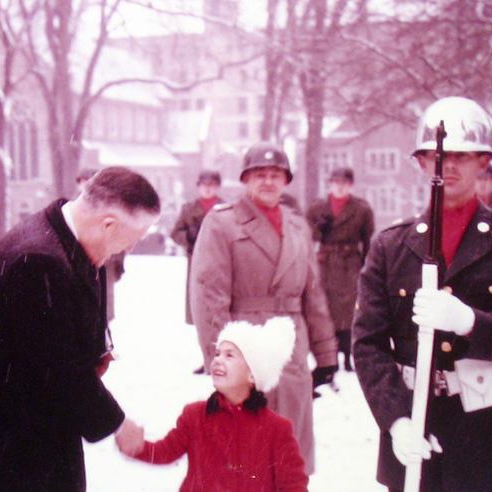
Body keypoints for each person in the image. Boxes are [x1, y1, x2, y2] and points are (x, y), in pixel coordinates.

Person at [352, 96, 492, 492]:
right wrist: (396, 420)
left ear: (483, 162)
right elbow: (368, 344)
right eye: (438, 156)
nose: (449, 165)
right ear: (423, 163)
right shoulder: (390, 245)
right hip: (415, 425)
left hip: (487, 429)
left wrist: (470, 322)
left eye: (462, 155)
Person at [0, 167, 160, 491]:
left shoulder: (66, 240)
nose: (129, 249)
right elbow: (59, 369)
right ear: (108, 224)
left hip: (27, 423)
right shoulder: (37, 260)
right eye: (133, 239)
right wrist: (118, 424)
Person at [189, 141, 339, 474]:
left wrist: (327, 355)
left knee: (289, 453)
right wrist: (223, 361)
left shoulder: (298, 225)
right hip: (246, 347)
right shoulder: (222, 224)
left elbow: (312, 295)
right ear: (245, 179)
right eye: (259, 174)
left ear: (286, 180)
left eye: (275, 174)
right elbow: (209, 298)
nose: (268, 181)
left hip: (292, 348)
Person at [118, 317, 308, 492]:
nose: (217, 360)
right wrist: (138, 447)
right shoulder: (195, 415)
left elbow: (293, 484)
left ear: (252, 374)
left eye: (229, 355)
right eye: (217, 353)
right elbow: (166, 451)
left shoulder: (276, 429)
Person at [306, 167, 374, 372]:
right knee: (325, 310)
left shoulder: (361, 209)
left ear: (351, 185)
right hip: (325, 263)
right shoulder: (318, 208)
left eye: (344, 183)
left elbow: (368, 240)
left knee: (349, 310)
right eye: (336, 182)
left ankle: (348, 355)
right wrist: (320, 226)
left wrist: (367, 267)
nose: (340, 186)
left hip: (350, 264)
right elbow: (307, 236)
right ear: (329, 184)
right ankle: (329, 356)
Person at [170, 170, 224, 373]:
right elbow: (175, 232)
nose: (208, 188)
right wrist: (189, 238)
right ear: (198, 186)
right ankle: (208, 357)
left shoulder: (226, 208)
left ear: (218, 186)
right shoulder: (189, 209)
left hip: (221, 263)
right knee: (201, 311)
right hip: (196, 263)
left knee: (221, 310)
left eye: (212, 184)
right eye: (204, 184)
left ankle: (222, 358)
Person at [76, 168, 125, 322]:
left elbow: (119, 235)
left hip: (105, 261)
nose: (85, 186)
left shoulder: (111, 207)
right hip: (79, 261)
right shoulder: (72, 207)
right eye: (82, 182)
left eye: (89, 182)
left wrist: (118, 260)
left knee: (104, 301)